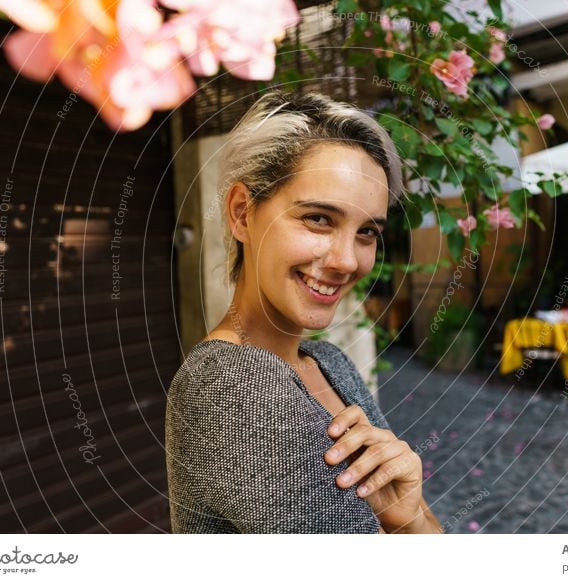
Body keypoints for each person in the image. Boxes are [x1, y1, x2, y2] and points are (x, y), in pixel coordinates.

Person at [165, 91, 442, 534]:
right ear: (242, 214)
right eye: (318, 219)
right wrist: (417, 526)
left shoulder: (330, 364)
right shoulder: (234, 386)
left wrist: (408, 513)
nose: (347, 260)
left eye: (367, 231)